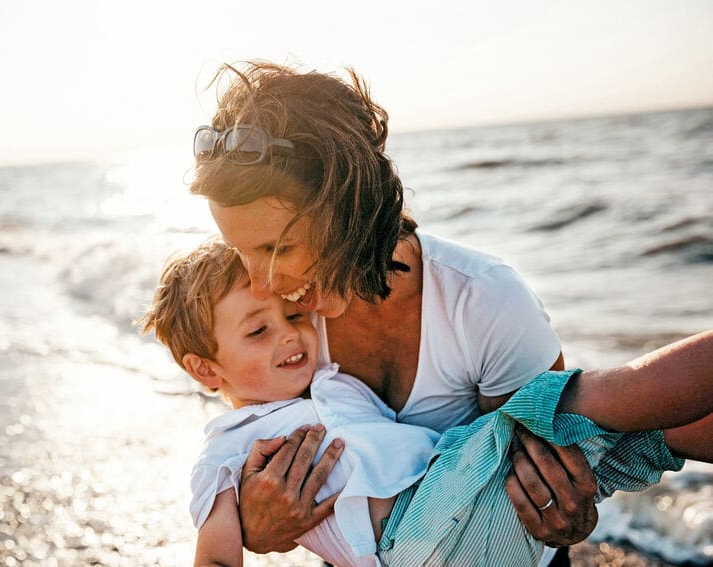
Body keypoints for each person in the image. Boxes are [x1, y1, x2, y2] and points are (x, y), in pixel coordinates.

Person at [189, 60, 598, 564]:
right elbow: (257, 452)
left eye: (279, 248)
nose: (260, 283)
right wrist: (256, 525)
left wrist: (568, 513)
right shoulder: (282, 324)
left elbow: (549, 482)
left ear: (349, 206)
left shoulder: (484, 301)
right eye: (240, 252)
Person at [139, 238, 712, 567]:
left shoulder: (331, 382)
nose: (291, 334)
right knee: (580, 405)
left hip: (477, 522)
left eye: (292, 316)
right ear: (204, 369)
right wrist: (253, 529)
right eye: (258, 332)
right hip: (413, 537)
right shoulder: (227, 449)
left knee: (641, 436)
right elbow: (215, 555)